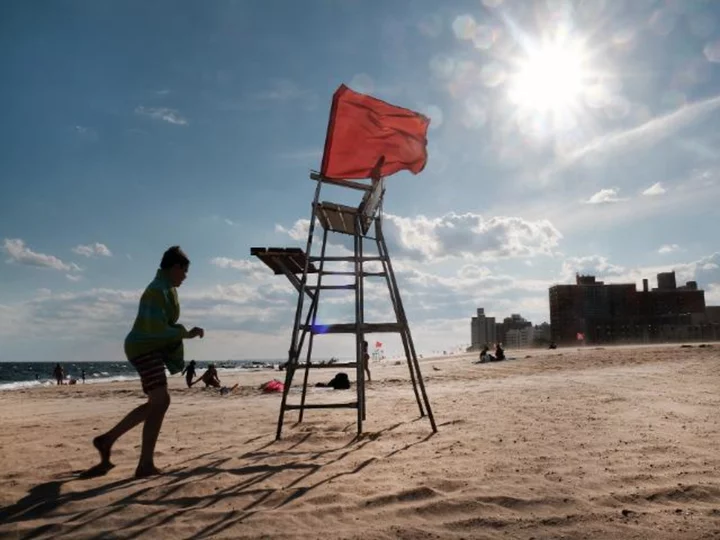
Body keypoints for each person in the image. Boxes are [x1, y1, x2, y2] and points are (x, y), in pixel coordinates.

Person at [90, 246, 204, 478]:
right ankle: (142, 463)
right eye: (184, 272)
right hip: (142, 348)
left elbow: (161, 326)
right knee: (161, 400)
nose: (185, 277)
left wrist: (183, 334)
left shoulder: (165, 289)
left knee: (158, 401)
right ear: (175, 267)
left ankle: (110, 441)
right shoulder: (156, 291)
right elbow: (156, 328)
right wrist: (186, 334)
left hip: (146, 348)